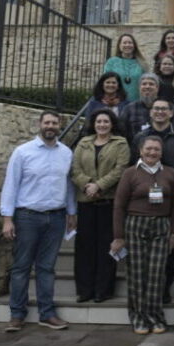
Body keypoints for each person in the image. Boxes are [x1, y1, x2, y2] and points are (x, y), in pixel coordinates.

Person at [0, 111, 77, 332]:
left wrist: (72, 213)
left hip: (56, 217)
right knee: (21, 267)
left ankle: (47, 313)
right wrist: (7, 219)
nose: (50, 126)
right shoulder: (23, 152)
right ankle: (16, 315)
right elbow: (11, 185)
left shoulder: (66, 153)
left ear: (59, 126)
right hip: (27, 217)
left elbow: (69, 186)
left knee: (47, 268)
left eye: (54, 122)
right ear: (40, 125)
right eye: (47, 122)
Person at [110, 136, 174, 335]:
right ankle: (138, 317)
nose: (152, 153)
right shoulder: (130, 173)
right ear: (141, 150)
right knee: (136, 273)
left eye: (156, 150)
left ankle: (155, 316)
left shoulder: (170, 173)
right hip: (135, 225)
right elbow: (119, 205)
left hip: (162, 225)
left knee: (156, 274)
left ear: (162, 152)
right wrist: (118, 236)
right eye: (149, 149)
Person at [131, 97, 174, 303]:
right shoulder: (140, 137)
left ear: (171, 113)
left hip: (170, 202)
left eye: (164, 109)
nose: (159, 112)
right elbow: (133, 168)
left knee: (168, 249)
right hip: (143, 204)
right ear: (151, 113)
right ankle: (144, 292)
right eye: (156, 108)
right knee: (143, 253)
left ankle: (164, 290)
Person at [71, 109, 130, 304]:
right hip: (86, 202)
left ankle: (103, 290)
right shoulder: (83, 143)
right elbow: (74, 168)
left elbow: (120, 169)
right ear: (93, 124)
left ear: (112, 124)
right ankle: (85, 289)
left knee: (107, 247)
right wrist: (87, 184)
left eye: (106, 121)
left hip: (109, 202)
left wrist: (99, 185)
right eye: (99, 121)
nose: (102, 125)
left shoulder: (120, 143)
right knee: (85, 247)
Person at [104, 34, 146, 101]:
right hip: (116, 101)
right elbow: (106, 81)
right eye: (124, 43)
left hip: (136, 101)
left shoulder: (142, 63)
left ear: (134, 46)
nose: (127, 45)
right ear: (119, 46)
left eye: (130, 43)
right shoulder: (111, 62)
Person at [120, 74, 159, 141]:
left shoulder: (166, 108)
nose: (147, 86)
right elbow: (121, 133)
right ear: (139, 87)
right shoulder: (128, 108)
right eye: (144, 84)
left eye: (151, 84)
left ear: (157, 88)